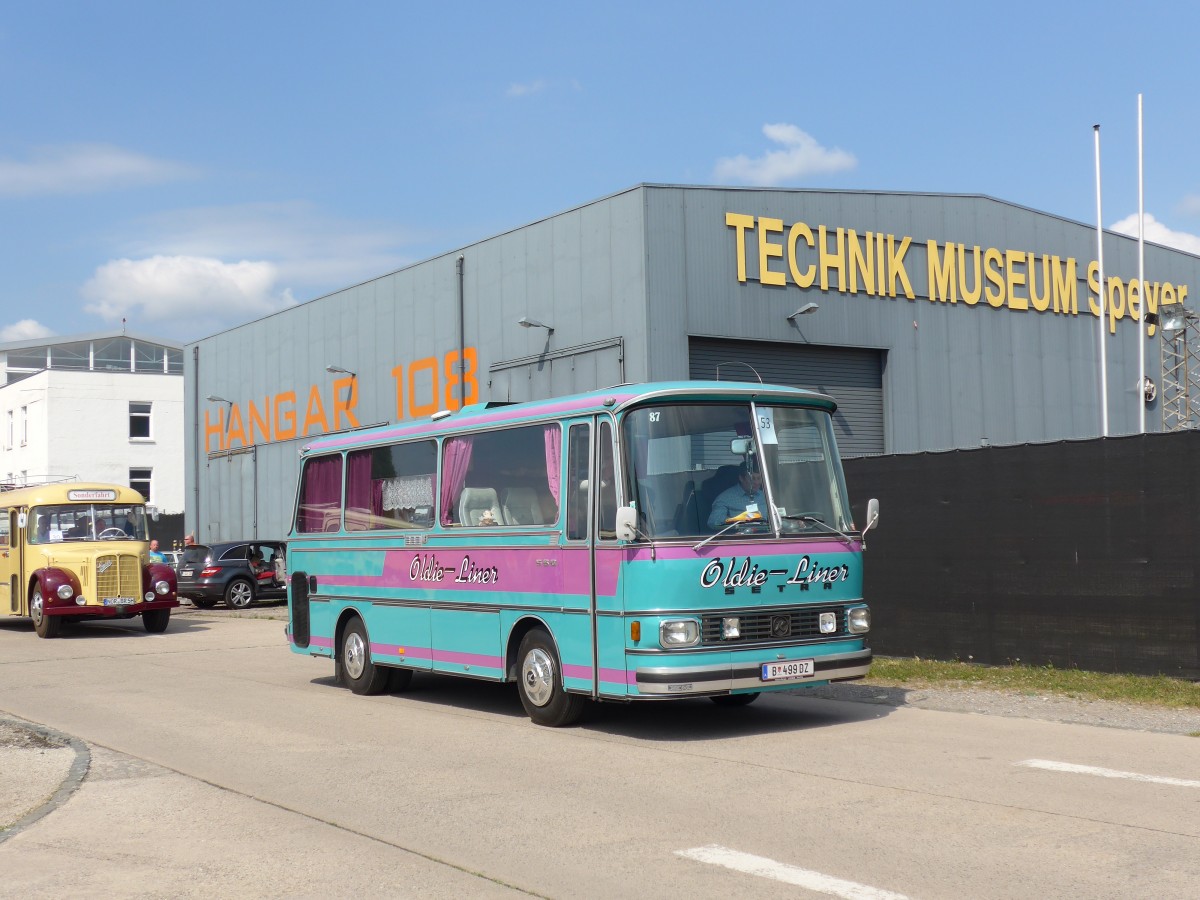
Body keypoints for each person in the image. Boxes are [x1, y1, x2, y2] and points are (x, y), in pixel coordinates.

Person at [707, 462, 766, 529]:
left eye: (759, 478)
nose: (757, 482)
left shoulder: (766, 497)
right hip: (740, 536)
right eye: (752, 478)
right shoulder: (725, 498)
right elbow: (714, 522)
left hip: (770, 536)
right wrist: (736, 520)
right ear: (741, 478)